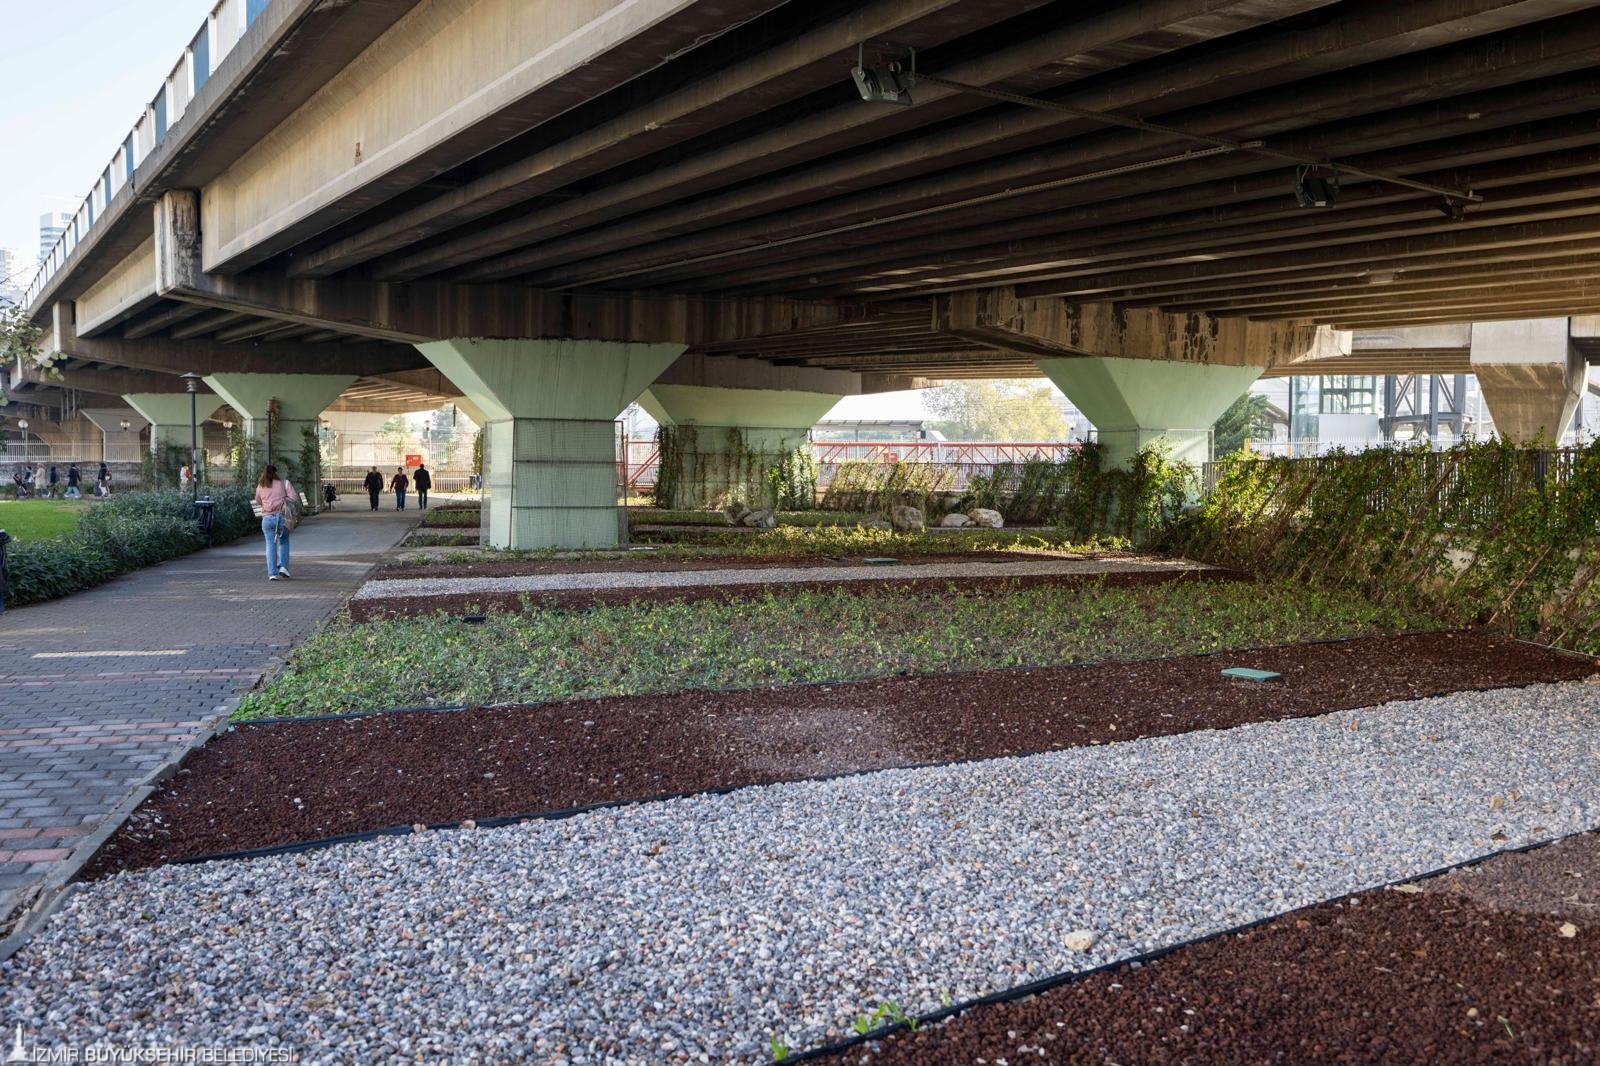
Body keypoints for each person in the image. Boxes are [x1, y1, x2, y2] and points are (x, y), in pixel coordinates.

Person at [254, 464, 296, 581]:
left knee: (270, 545)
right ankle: (283, 567)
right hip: (282, 517)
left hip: (267, 519)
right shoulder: (284, 483)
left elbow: (258, 500)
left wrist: (267, 504)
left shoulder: (261, 485)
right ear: (276, 473)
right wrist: (284, 499)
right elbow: (294, 498)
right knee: (284, 542)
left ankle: (272, 573)